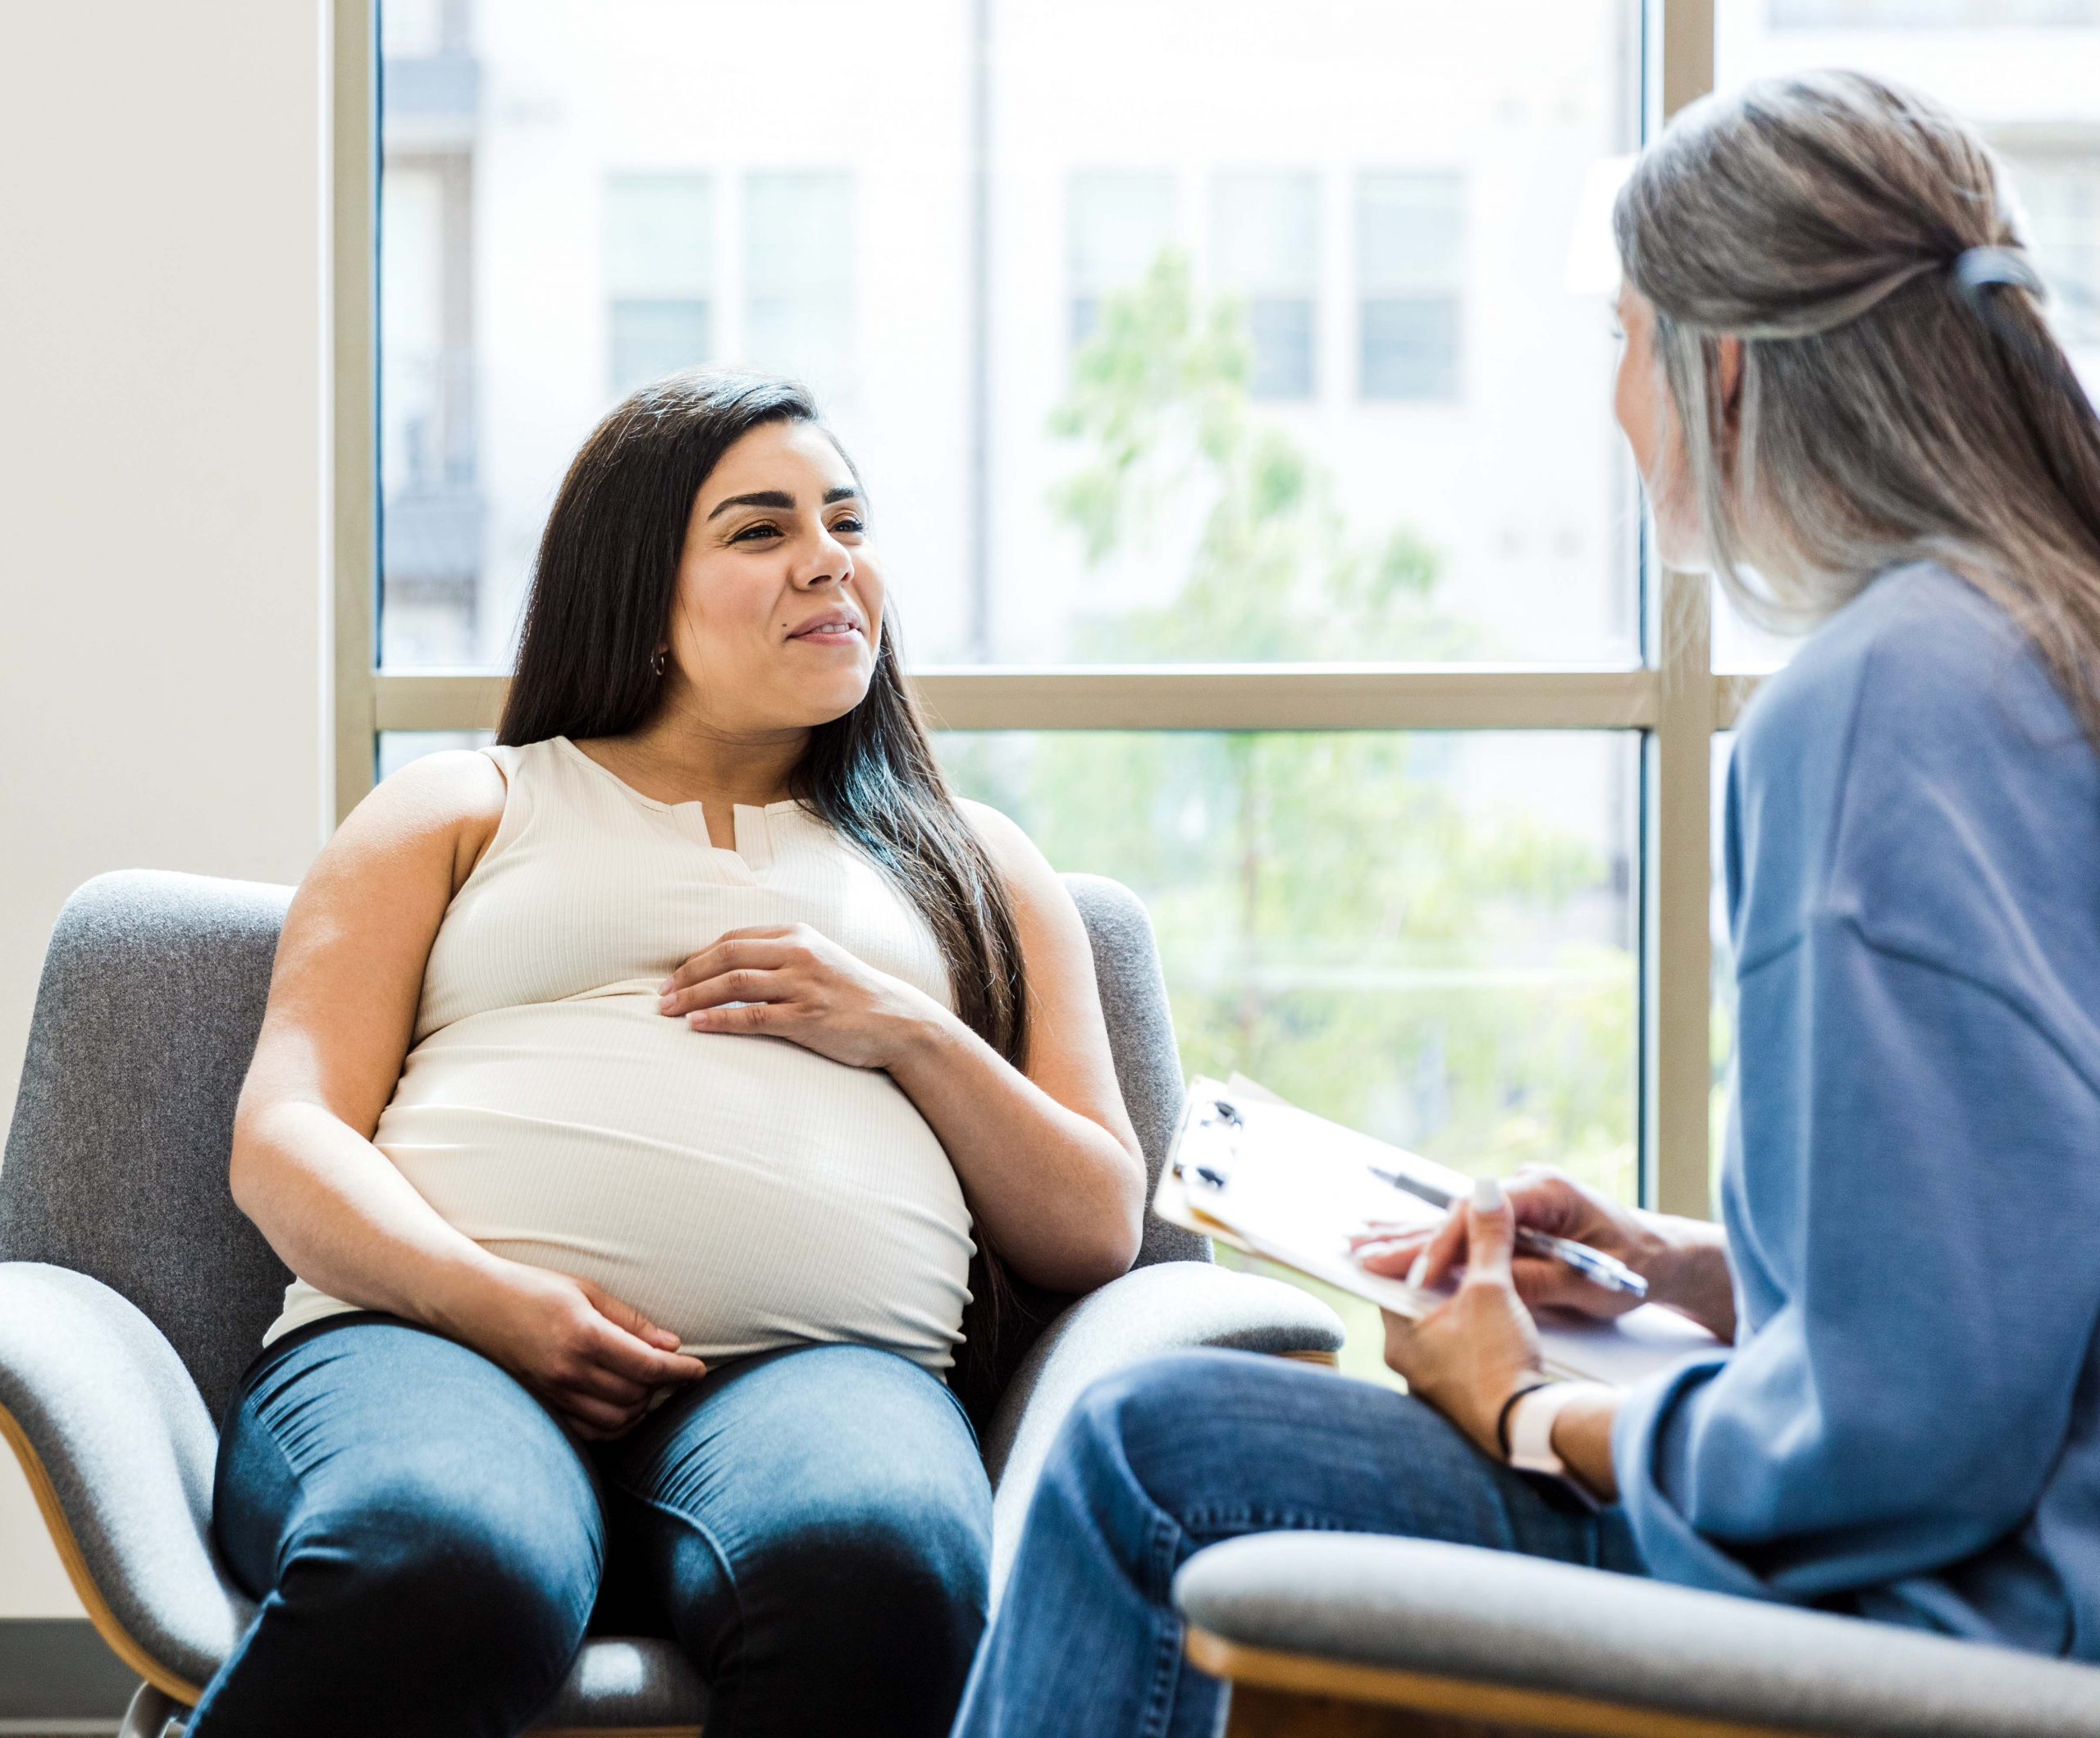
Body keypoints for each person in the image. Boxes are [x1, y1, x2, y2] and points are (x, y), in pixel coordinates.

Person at [952, 68, 2100, 1738]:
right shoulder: (2044, 642)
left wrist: (1525, 1409)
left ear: (1720, 370)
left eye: (1621, 340)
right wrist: (1680, 1269)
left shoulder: (1876, 708)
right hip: (2027, 1554)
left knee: (1153, 1456)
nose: (1613, 401)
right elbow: (2018, 1252)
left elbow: (1894, 1445)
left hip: (1955, 1607)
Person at [189, 371, 1148, 1738]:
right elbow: (282, 1137)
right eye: (760, 530)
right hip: (433, 1350)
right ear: (638, 591)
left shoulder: (979, 862)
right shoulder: (464, 808)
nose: (830, 558)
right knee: (444, 1560)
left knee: (879, 1564)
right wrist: (486, 1301)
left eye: (848, 522)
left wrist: (907, 1028)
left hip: (823, 1379)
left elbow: (1095, 1227)